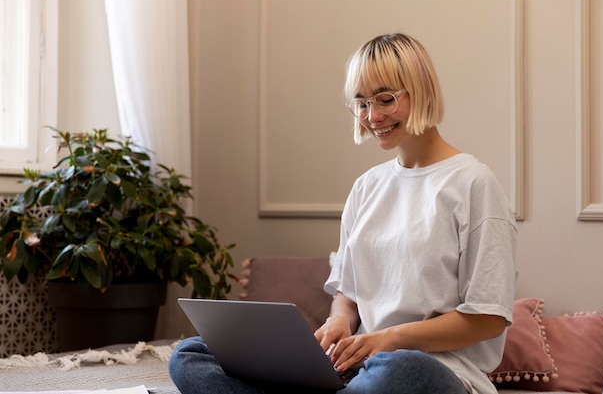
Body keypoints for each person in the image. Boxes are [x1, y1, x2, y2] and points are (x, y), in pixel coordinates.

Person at [168, 32, 517, 394]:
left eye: (385, 99)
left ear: (424, 90)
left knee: (402, 370)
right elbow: (347, 293)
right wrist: (339, 322)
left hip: (430, 373)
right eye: (362, 103)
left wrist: (389, 339)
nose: (373, 116)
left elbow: (488, 318)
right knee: (191, 355)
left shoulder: (474, 183)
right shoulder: (367, 187)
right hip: (356, 371)